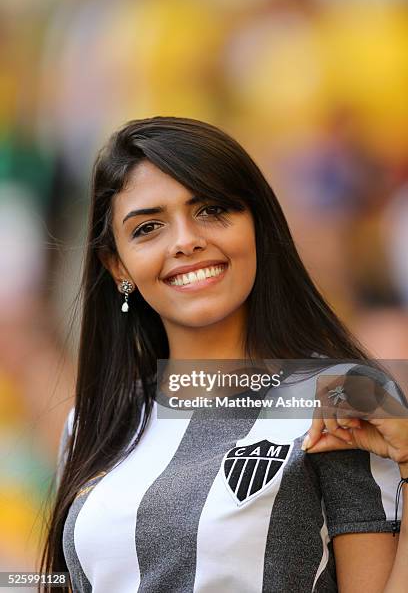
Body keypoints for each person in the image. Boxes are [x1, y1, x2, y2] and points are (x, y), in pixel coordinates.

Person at [40, 117, 408, 592]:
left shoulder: (343, 394)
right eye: (148, 227)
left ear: (257, 225)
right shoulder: (93, 421)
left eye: (212, 210)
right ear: (118, 267)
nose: (185, 241)